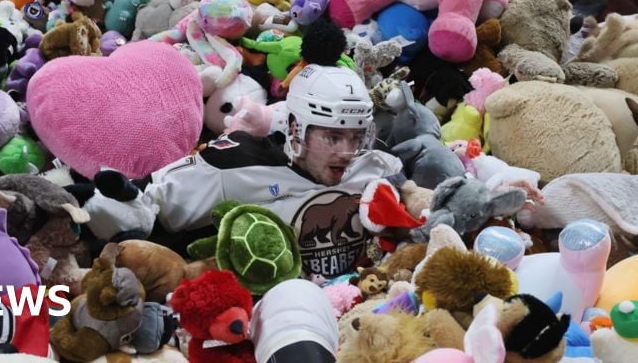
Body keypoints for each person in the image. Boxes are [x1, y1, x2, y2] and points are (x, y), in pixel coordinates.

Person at [82, 64, 407, 279]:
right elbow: (146, 207)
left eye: (356, 137)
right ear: (296, 129)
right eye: (333, 137)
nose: (347, 152)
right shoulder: (232, 165)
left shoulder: (375, 164)